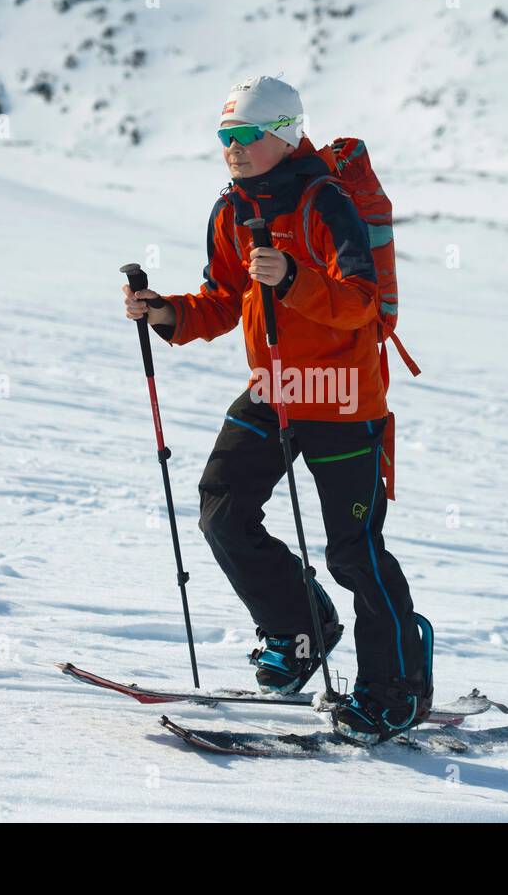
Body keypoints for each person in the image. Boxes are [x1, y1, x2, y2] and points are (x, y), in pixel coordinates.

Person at [121, 75, 429, 744]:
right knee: (222, 509)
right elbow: (224, 298)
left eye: (245, 137)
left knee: (354, 550)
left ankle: (396, 688)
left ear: (284, 134)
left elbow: (360, 303)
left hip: (344, 399)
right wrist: (168, 312)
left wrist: (291, 278)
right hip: (275, 389)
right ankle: (299, 630)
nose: (232, 149)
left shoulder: (325, 202)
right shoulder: (232, 209)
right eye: (224, 137)